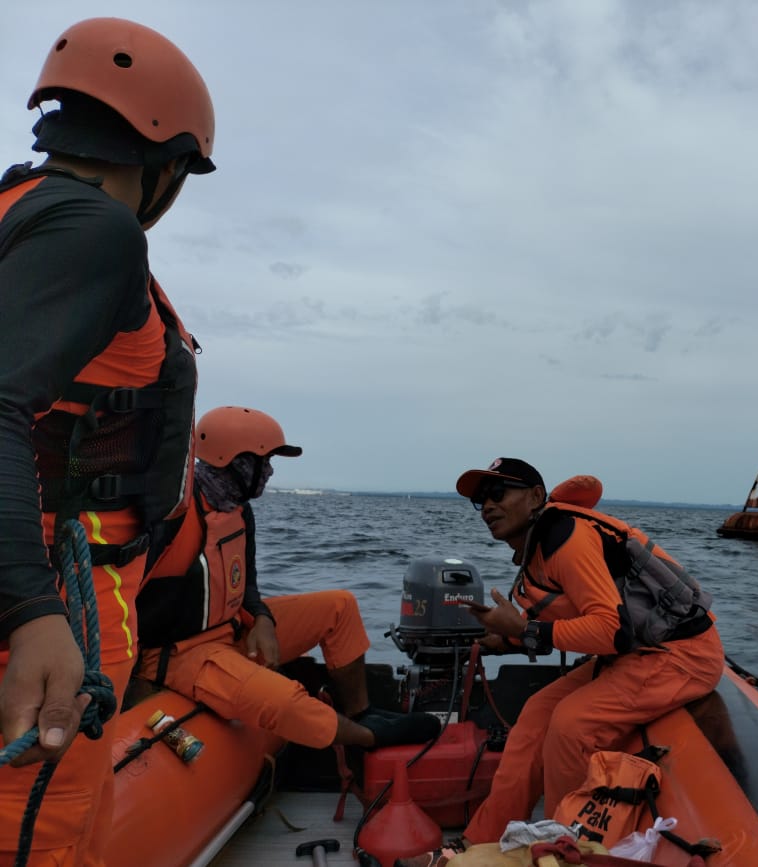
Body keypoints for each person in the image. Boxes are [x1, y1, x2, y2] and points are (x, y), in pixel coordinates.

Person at [0, 17, 214, 865]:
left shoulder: (20, 212)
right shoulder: (95, 230)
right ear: (165, 163)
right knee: (41, 837)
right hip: (54, 594)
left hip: (51, 582)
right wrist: (31, 612)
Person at [397, 458, 725, 867]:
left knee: (572, 725)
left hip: (682, 655)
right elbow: (573, 626)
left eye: (498, 493)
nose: (487, 506)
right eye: (480, 500)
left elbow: (611, 631)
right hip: (633, 656)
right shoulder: (539, 547)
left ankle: (562, 852)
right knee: (535, 715)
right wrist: (505, 639)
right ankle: (479, 843)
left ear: (536, 496)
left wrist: (524, 630)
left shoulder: (568, 539)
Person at [136, 406, 440, 751]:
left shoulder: (239, 510)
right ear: (235, 460)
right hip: (180, 655)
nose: (269, 471)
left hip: (233, 630)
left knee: (340, 607)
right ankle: (369, 738)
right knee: (283, 700)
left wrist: (262, 618)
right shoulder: (170, 515)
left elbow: (247, 585)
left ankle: (362, 713)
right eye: (263, 461)